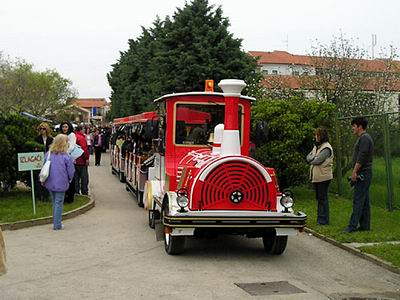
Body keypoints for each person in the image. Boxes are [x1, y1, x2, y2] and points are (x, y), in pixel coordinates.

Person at [343, 117, 374, 233]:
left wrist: (355, 171)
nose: (352, 128)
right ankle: (365, 225)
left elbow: (362, 156)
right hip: (363, 172)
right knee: (364, 200)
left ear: (360, 126)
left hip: (363, 172)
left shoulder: (364, 139)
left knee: (358, 200)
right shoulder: (362, 138)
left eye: (354, 126)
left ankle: (352, 226)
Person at [43, 134, 75, 230]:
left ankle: (56, 222)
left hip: (49, 181)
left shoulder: (48, 154)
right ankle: (57, 225)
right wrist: (70, 179)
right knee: (58, 203)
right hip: (61, 182)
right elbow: (71, 171)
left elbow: (44, 166)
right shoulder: (66, 157)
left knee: (54, 202)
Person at [306, 127, 334, 225]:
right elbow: (308, 157)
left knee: (323, 198)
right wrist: (313, 158)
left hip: (324, 176)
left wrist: (312, 159)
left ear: (321, 136)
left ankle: (323, 219)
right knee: (319, 198)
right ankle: (320, 218)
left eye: (317, 135)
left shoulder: (326, 148)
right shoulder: (316, 146)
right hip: (317, 176)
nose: (315, 137)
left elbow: (318, 160)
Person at [34, 122, 54, 201]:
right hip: (39, 159)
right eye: (40, 129)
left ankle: (46, 195)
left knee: (47, 177)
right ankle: (39, 195)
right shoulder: (37, 139)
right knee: (39, 177)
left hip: (48, 160)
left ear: (47, 129)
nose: (42, 130)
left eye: (43, 128)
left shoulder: (51, 139)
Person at [60, 121, 76, 203]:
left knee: (71, 178)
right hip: (61, 160)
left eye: (66, 127)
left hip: (69, 159)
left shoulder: (72, 135)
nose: (64, 128)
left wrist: (64, 152)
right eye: (63, 127)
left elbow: (72, 146)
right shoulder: (60, 136)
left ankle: (70, 197)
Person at [74, 125, 89, 195]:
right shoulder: (81, 138)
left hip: (74, 160)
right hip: (81, 161)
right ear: (81, 130)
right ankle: (84, 191)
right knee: (84, 178)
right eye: (83, 129)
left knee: (76, 178)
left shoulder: (73, 136)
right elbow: (84, 149)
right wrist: (86, 158)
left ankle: (76, 192)